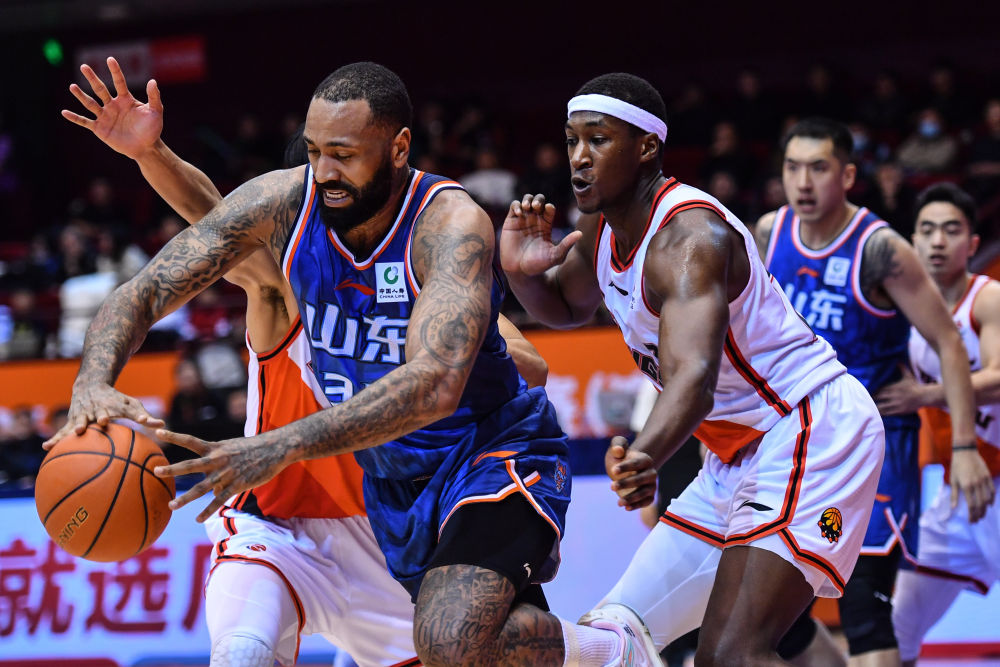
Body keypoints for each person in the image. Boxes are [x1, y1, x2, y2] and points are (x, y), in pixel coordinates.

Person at [51, 58, 658, 667]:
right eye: (315, 153)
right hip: (356, 498)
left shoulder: (446, 229)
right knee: (428, 648)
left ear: (397, 148)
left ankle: (611, 651)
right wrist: (91, 382)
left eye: (342, 155)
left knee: (454, 642)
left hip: (474, 462)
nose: (323, 173)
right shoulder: (284, 229)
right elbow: (153, 281)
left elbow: (459, 381)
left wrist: (284, 441)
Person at [501, 72, 885, 665]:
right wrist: (521, 272)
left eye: (598, 140)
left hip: (807, 428)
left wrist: (643, 454)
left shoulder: (689, 237)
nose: (579, 157)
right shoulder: (604, 231)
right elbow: (566, 307)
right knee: (612, 637)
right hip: (734, 456)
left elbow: (694, 381)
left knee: (731, 654)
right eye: (572, 140)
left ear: (646, 147)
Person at [756, 118, 991, 666]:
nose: (804, 182)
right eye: (793, 168)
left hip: (872, 448)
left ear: (847, 175)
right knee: (771, 615)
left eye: (819, 168)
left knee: (863, 607)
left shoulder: (881, 248)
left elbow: (949, 342)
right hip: (796, 445)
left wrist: (962, 446)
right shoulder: (768, 233)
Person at [875, 183, 997, 666]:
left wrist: (925, 395)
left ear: (972, 243)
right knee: (898, 629)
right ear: (912, 241)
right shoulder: (903, 311)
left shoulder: (987, 299)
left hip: (991, 474)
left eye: (951, 230)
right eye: (927, 230)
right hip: (961, 494)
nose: (938, 241)